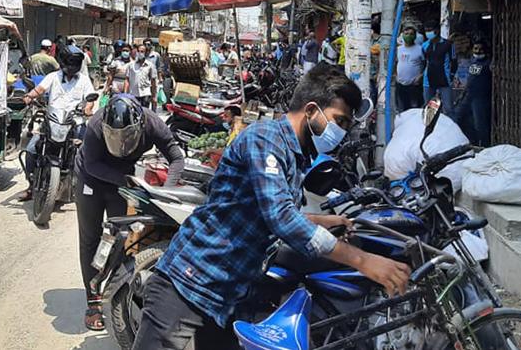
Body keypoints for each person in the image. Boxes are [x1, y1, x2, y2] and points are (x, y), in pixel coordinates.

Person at [132, 63, 410, 350]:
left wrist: (322, 221)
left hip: (226, 294)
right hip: (188, 285)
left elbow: (264, 211)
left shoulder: (296, 155)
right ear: (312, 111)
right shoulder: (265, 139)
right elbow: (281, 218)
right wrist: (365, 261)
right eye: (338, 121)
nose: (340, 132)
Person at [76, 94, 185, 331]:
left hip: (122, 182)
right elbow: (92, 165)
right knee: (90, 239)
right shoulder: (95, 125)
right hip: (91, 179)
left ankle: (115, 290)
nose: (120, 143)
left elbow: (176, 157)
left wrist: (165, 194)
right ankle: (93, 301)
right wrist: (125, 181)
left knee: (122, 237)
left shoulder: (152, 122)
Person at [18, 46, 95, 201]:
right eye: (71, 62)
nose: (73, 66)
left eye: (76, 62)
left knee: (87, 151)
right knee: (32, 149)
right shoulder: (53, 76)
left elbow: (89, 99)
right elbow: (39, 89)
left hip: (75, 122)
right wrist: (29, 96)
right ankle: (32, 185)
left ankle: (83, 186)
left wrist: (87, 108)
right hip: (52, 121)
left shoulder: (84, 80)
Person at [455, 41, 492, 147]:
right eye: (475, 49)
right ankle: (471, 141)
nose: (478, 51)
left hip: (480, 97)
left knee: (480, 124)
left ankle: (484, 146)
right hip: (468, 95)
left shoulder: (488, 63)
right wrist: (462, 94)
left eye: (480, 49)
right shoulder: (471, 61)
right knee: (459, 117)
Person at [421, 23, 455, 115]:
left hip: (444, 80)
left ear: (437, 30)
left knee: (448, 109)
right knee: (428, 108)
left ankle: (451, 128)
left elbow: (454, 61)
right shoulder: (424, 45)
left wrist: (451, 75)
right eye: (426, 30)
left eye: (430, 30)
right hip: (428, 80)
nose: (428, 32)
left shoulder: (448, 45)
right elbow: (424, 62)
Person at [395, 26, 425, 112]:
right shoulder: (398, 49)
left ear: (415, 36)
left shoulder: (420, 49)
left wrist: (420, 76)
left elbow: (425, 64)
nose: (408, 36)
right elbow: (395, 62)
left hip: (414, 85)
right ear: (402, 35)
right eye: (406, 34)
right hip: (400, 84)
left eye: (411, 34)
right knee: (402, 109)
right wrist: (395, 75)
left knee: (415, 109)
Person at [124, 43, 158, 108]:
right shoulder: (131, 65)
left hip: (145, 94)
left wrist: (154, 96)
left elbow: (153, 81)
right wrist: (125, 94)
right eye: (138, 51)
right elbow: (127, 79)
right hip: (133, 94)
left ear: (146, 53)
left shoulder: (150, 66)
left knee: (144, 114)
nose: (140, 53)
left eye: (142, 51)